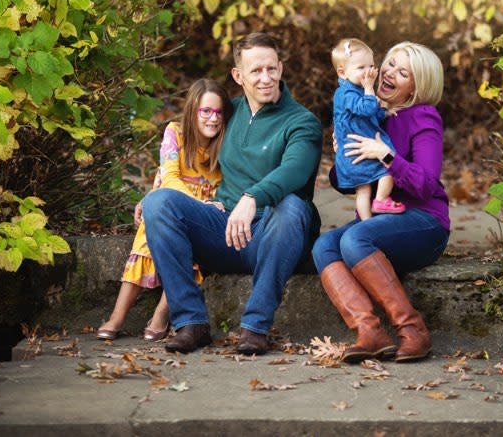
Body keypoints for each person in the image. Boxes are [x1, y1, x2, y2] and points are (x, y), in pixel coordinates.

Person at [142, 32, 323, 354]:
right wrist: (160, 184)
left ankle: (255, 327)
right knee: (159, 204)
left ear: (281, 68)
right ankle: (191, 323)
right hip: (224, 229)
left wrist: (251, 198)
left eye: (271, 69)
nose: (265, 78)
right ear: (238, 76)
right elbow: (190, 144)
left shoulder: (302, 122)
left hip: (276, 234)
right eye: (256, 71)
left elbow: (295, 170)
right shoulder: (230, 112)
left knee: (294, 207)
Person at [313, 42, 450, 363]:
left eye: (403, 73)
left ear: (418, 86)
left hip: (423, 222)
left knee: (355, 237)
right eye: (389, 64)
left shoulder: (424, 118)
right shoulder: (371, 112)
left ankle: (412, 330)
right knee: (324, 247)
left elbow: (425, 184)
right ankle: (369, 331)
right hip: (381, 220)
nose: (389, 73)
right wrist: (342, 157)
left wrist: (386, 156)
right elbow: (346, 183)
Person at [97, 78, 233, 342]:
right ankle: (117, 316)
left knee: (190, 249)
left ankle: (160, 316)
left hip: (205, 212)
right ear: (193, 111)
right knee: (147, 237)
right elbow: (169, 177)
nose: (213, 119)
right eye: (206, 111)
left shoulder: (226, 142)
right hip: (175, 198)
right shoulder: (175, 133)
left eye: (218, 112)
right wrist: (154, 199)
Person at [331, 38, 405, 220]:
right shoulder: (346, 93)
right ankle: (381, 200)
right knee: (388, 170)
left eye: (370, 66)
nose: (368, 72)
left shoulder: (353, 90)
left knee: (363, 191)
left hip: (352, 154)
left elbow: (368, 117)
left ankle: (365, 223)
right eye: (361, 68)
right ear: (342, 73)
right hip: (357, 153)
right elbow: (366, 108)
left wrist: (385, 113)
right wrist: (369, 88)